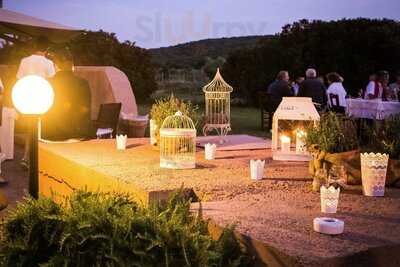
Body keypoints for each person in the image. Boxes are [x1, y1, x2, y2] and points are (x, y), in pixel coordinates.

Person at [16, 36, 56, 168]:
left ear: (34, 46)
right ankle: (37, 160)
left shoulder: (24, 61)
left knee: (30, 129)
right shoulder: (48, 63)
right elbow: (53, 81)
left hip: (26, 99)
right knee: (41, 130)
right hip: (42, 98)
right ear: (47, 49)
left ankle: (26, 157)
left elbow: (19, 80)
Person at [41, 51, 92, 140]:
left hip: (51, 134)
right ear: (72, 67)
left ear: (56, 66)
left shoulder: (48, 83)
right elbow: (86, 110)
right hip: (78, 134)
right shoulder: (83, 83)